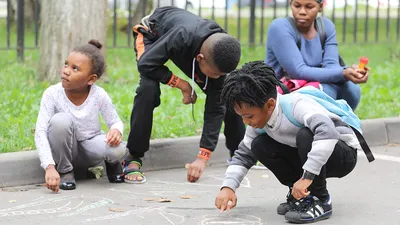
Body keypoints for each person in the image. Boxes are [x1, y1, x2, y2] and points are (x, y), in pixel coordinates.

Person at [215, 61, 368, 223]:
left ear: (270, 105)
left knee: (305, 135)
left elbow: (327, 132)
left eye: (249, 116)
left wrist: (307, 177)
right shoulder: (259, 122)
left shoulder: (296, 106)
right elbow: (243, 155)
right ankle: (300, 196)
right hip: (314, 155)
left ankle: (321, 200)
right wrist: (228, 187)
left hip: (342, 154)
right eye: (242, 117)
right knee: (258, 145)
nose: (246, 122)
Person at [123, 6, 246, 184]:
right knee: (148, 89)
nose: (217, 78)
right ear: (201, 59)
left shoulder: (221, 46)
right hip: (153, 34)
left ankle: (239, 153)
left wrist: (203, 157)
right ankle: (133, 156)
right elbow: (146, 65)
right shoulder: (182, 36)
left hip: (191, 47)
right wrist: (182, 84)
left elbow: (215, 108)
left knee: (227, 92)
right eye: (215, 74)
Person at [35, 40, 127, 193]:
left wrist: (116, 131)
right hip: (66, 152)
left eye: (75, 68)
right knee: (60, 121)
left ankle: (112, 163)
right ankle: (65, 171)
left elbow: (115, 121)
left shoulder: (99, 94)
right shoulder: (52, 94)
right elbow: (40, 131)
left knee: (118, 149)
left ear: (91, 79)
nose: (66, 71)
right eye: (66, 64)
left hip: (92, 148)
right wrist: (49, 167)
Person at [265, 0, 370, 110]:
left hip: (313, 85)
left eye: (309, 7)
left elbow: (331, 66)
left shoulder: (326, 27)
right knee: (326, 90)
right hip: (280, 92)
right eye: (297, 6)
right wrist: (343, 72)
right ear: (290, 4)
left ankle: (342, 123)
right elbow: (297, 71)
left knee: (351, 88)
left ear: (320, 7)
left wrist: (350, 72)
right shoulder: (280, 27)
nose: (302, 12)